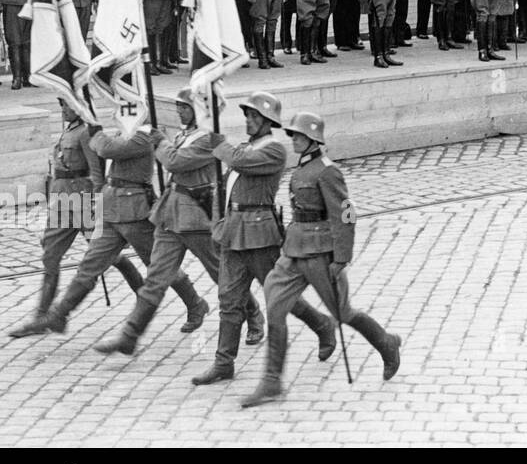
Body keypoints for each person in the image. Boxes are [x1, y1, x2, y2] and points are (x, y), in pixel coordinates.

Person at [241, 112, 400, 407]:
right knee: (274, 306)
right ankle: (271, 382)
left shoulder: (327, 171)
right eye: (293, 135)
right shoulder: (301, 168)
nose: (294, 140)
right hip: (293, 250)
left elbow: (347, 213)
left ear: (314, 140)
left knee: (342, 313)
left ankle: (386, 343)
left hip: (320, 255)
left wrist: (342, 257)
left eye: (300, 136)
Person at [92, 90, 264, 357]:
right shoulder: (184, 135)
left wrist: (159, 141)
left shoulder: (208, 138)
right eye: (178, 106)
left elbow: (175, 162)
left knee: (222, 275)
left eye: (184, 107)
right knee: (156, 278)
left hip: (196, 216)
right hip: (170, 215)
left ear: (199, 109)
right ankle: (130, 335)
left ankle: (254, 316)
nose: (179, 111)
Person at [190, 92, 336, 387]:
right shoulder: (247, 147)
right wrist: (220, 223)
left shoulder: (273, 150)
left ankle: (322, 325)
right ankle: (223, 362)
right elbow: (228, 187)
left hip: (260, 235)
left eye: (255, 116)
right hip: (234, 233)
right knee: (229, 299)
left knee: (280, 296)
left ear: (269, 121)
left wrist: (218, 143)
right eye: (247, 115)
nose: (249, 120)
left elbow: (239, 161)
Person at [28, 123, 208, 337]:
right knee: (90, 264)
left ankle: (195, 303)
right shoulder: (124, 133)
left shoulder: (144, 136)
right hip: (112, 209)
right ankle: (59, 315)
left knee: (158, 265)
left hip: (135, 212)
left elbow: (107, 149)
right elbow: (105, 151)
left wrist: (96, 132)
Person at [6, 102, 145, 338]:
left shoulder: (85, 132)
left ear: (79, 109)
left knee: (109, 255)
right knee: (50, 255)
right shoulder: (68, 128)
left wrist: (98, 202)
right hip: (61, 201)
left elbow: (97, 172)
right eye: (61, 105)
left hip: (82, 200)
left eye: (68, 106)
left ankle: (144, 297)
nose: (63, 109)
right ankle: (42, 316)